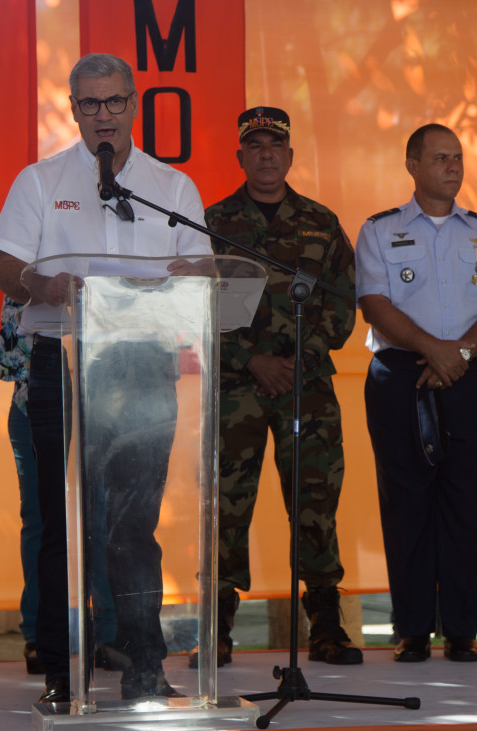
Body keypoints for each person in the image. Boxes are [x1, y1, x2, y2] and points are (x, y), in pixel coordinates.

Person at [0, 53, 212, 704]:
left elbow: (201, 267)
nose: (103, 114)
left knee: (134, 524)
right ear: (74, 108)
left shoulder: (171, 186)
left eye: (114, 101)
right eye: (90, 103)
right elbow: (7, 269)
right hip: (62, 361)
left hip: (142, 364)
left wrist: (191, 276)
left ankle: (145, 666)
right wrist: (40, 283)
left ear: (134, 103)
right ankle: (63, 672)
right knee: (63, 522)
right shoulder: (40, 180)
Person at [354, 123, 477, 663]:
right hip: (401, 376)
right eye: (440, 158)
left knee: (465, 500)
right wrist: (434, 350)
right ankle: (411, 630)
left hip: (470, 376)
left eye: (457, 158)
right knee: (405, 502)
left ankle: (460, 630)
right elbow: (375, 303)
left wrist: (461, 355)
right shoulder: (379, 230)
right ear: (412, 165)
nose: (452, 167)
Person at [202, 107, 360, 666]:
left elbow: (343, 304)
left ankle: (326, 628)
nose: (266, 154)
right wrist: (252, 360)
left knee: (315, 504)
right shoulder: (212, 222)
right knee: (225, 507)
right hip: (236, 389)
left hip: (305, 388)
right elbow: (198, 306)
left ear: (290, 156)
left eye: (275, 145)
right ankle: (217, 631)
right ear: (240, 156)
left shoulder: (321, 222)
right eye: (255, 145)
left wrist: (299, 359)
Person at [0, 297, 45, 674]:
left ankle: (108, 635)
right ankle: (39, 635)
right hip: (33, 407)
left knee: (98, 518)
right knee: (39, 519)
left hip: (104, 408)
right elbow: (7, 358)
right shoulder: (26, 278)